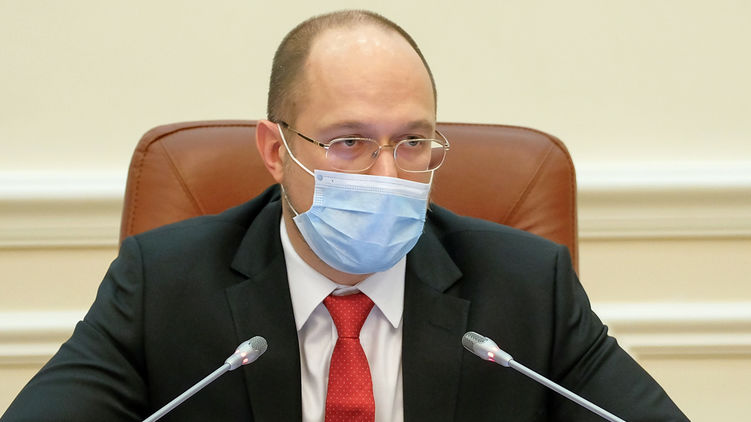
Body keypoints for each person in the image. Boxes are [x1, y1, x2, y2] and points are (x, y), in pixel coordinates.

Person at [2, 9, 687, 422]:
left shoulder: (527, 286)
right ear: (276, 151)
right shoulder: (164, 284)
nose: (387, 175)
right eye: (349, 143)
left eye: (412, 142)